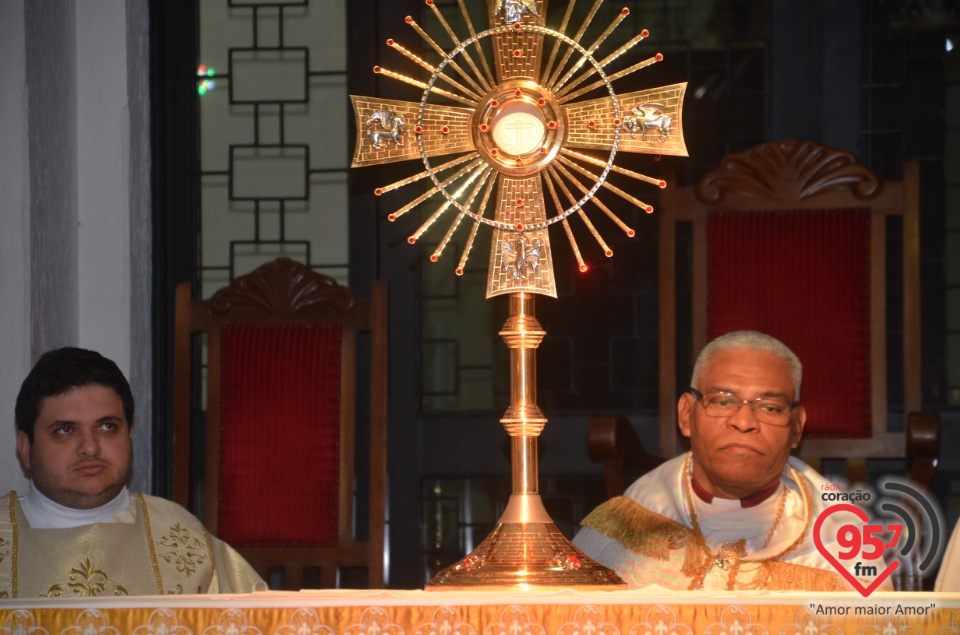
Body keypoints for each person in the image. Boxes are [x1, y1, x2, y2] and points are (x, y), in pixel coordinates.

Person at [573, 330, 889, 591]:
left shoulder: (841, 536)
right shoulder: (633, 518)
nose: (743, 421)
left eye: (769, 407)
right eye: (723, 401)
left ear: (796, 428)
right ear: (686, 415)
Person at [1, 346, 267, 597]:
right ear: (25, 449)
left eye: (106, 427)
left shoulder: (179, 536)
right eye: (65, 430)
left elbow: (261, 621)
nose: (90, 447)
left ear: (129, 435)